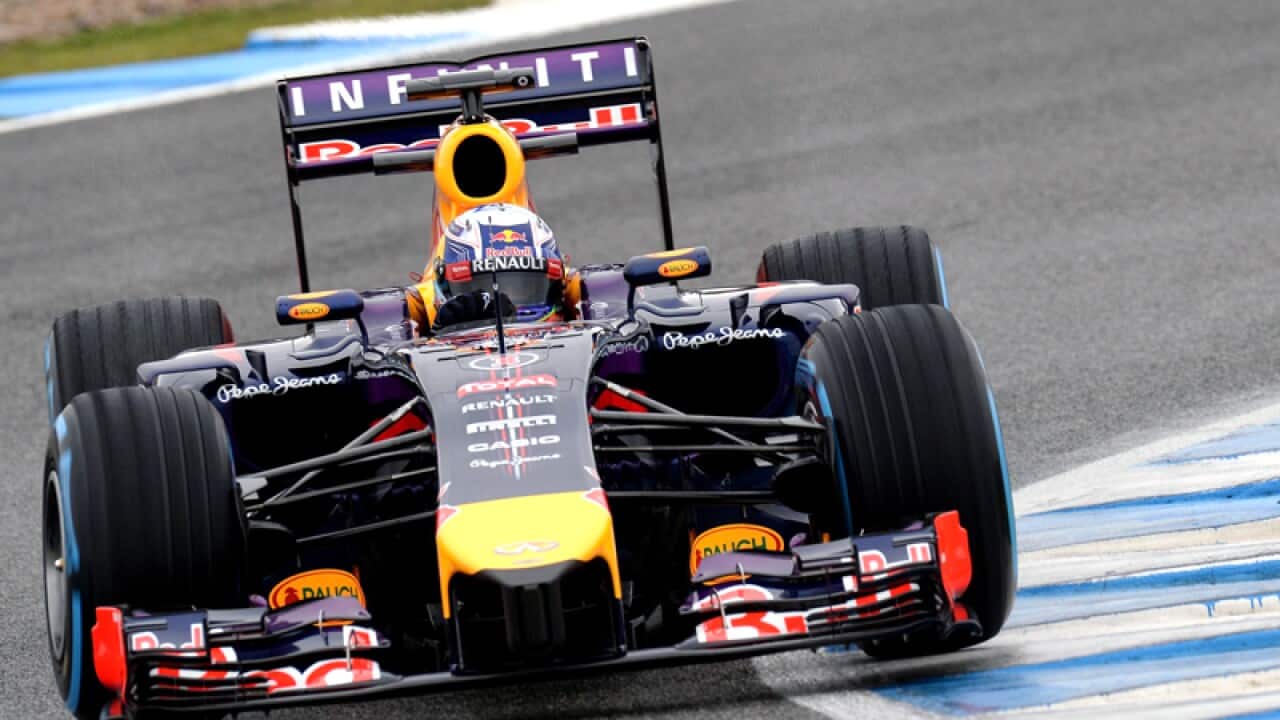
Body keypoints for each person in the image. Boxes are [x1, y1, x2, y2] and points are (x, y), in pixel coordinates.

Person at [411, 203, 567, 332]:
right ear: (444, 285)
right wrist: (439, 334)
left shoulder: (570, 289)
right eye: (484, 290)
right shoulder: (420, 304)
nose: (507, 311)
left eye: (524, 289)